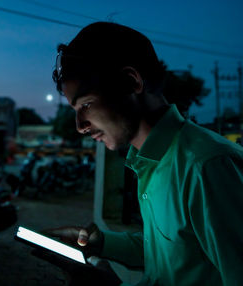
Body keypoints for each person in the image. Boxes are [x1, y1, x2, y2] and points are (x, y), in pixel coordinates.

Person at [38, 22, 243, 285]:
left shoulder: (207, 166)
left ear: (131, 81)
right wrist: (100, 243)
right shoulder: (148, 161)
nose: (80, 126)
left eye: (86, 104)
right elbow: (171, 253)